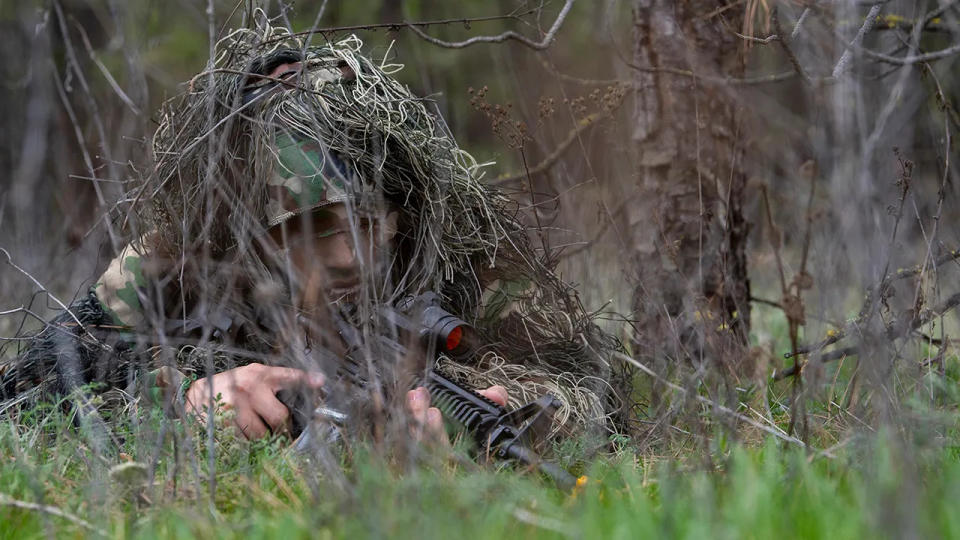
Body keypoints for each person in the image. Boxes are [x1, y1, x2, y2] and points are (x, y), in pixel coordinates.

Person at [0, 18, 624, 445]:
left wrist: (479, 404)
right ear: (254, 232)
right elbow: (27, 394)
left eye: (368, 219)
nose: (352, 253)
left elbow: (592, 382)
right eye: (317, 225)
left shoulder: (460, 249)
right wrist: (185, 399)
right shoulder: (175, 257)